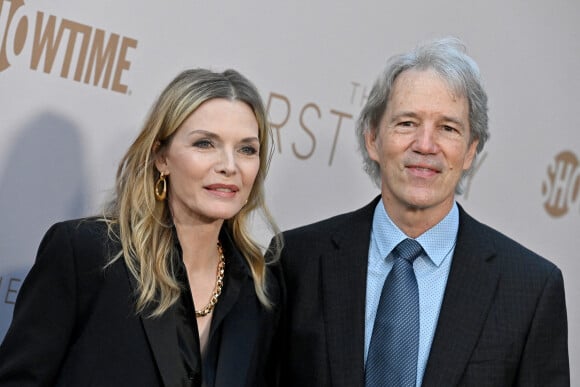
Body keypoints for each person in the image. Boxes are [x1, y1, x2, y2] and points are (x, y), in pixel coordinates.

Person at [275, 37, 569, 386]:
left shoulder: (530, 287)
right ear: (373, 139)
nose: (426, 145)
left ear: (471, 150)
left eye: (447, 128)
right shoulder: (295, 261)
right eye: (407, 123)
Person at [0, 68, 283, 387]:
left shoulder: (260, 287)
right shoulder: (88, 254)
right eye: (205, 144)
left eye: (247, 149)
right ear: (161, 157)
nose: (229, 166)